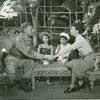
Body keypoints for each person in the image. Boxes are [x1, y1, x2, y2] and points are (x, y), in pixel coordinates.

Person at [0, 22, 51, 92]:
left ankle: (23, 83)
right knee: (10, 80)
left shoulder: (29, 39)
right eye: (31, 29)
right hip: (11, 59)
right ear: (25, 30)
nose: (33, 30)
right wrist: (45, 56)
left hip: (20, 60)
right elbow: (29, 53)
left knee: (30, 62)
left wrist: (40, 57)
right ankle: (4, 77)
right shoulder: (18, 39)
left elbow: (30, 51)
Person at [52, 22, 96, 93]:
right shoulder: (78, 39)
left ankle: (77, 83)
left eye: (72, 29)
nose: (70, 31)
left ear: (77, 31)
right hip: (86, 59)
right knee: (72, 63)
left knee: (72, 64)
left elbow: (68, 49)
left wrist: (55, 56)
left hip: (90, 61)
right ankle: (76, 84)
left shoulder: (80, 40)